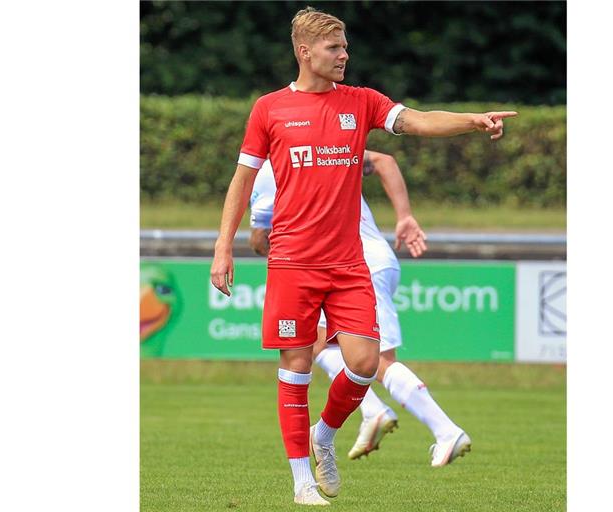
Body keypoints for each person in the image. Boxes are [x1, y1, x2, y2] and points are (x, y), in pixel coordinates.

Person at [210, 6, 516, 506]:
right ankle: (301, 482)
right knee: (296, 364)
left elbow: (416, 121)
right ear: (305, 53)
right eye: (335, 48)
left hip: (350, 263)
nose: (344, 55)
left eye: (346, 47)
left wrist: (472, 121)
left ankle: (325, 435)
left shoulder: (361, 102)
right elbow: (241, 183)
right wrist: (223, 248)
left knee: (365, 362)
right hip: (292, 262)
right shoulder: (269, 109)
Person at [249, 150, 472, 470]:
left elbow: (260, 237)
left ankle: (446, 431)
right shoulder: (330, 148)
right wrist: (404, 215)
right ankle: (371, 411)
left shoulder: (272, 168)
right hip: (365, 262)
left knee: (378, 361)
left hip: (357, 266)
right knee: (316, 341)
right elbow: (386, 161)